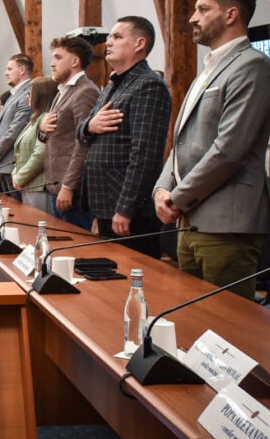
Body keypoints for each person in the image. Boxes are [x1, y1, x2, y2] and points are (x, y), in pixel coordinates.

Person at [154, 0, 270, 300]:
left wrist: (177, 198)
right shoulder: (207, 70)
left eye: (202, 9)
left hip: (227, 221)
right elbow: (182, 141)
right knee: (191, 317)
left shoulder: (253, 66)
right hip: (190, 219)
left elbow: (229, 150)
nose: (192, 17)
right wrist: (162, 188)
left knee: (227, 328)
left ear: (230, 15)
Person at [78, 16, 172, 258]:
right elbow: (81, 131)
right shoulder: (113, 85)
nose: (108, 42)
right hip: (106, 202)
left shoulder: (148, 85)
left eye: (117, 37)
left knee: (134, 277)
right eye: (110, 37)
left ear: (139, 44)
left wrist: (126, 208)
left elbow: (145, 154)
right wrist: (91, 126)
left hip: (128, 209)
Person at [39, 36, 99, 230]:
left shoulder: (86, 92)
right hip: (55, 183)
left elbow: (84, 143)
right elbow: (53, 134)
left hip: (71, 190)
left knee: (74, 255)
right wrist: (41, 130)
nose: (52, 63)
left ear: (75, 61)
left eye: (58, 57)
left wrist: (68, 186)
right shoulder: (62, 91)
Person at [0, 54, 34, 195]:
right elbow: (2, 130)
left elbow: (14, 131)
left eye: (9, 69)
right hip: (4, 163)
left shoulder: (27, 93)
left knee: (18, 211)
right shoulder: (14, 94)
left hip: (13, 163)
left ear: (22, 70)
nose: (5, 73)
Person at [11, 76, 57, 210]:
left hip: (38, 185)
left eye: (30, 93)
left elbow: (40, 154)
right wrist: (16, 172)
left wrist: (20, 177)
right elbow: (21, 151)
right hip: (28, 183)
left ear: (41, 95)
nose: (28, 97)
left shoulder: (46, 118)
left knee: (39, 227)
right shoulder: (35, 118)